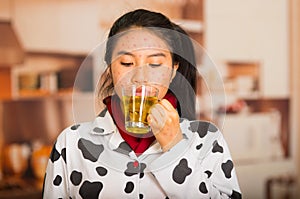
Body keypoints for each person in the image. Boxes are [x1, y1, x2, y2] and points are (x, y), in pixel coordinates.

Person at [43, 9, 242, 199]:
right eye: (127, 63)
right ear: (110, 68)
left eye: (155, 64)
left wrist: (175, 147)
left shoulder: (207, 141)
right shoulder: (71, 144)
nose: (140, 77)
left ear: (173, 69)